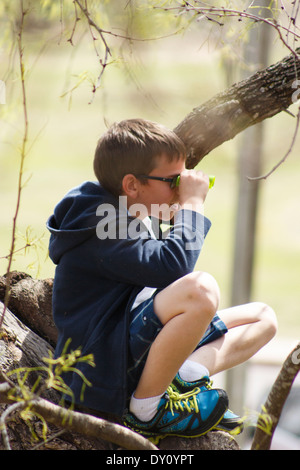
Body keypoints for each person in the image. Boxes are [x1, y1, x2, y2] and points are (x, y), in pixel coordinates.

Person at [47, 118, 277, 442]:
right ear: (132, 185)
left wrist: (175, 200)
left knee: (263, 318)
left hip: (138, 340)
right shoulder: (101, 221)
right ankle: (147, 409)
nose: (180, 190)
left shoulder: (130, 211)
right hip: (108, 360)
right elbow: (173, 267)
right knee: (200, 290)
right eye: (173, 181)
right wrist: (192, 205)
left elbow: (162, 267)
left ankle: (183, 378)